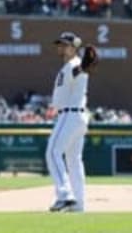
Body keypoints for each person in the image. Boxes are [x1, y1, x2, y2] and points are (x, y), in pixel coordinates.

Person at [46, 31, 98, 213]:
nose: (60, 47)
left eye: (65, 44)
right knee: (74, 161)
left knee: (52, 153)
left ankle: (65, 194)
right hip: (77, 117)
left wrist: (84, 65)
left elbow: (80, 70)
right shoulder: (70, 65)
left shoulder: (75, 65)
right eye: (59, 44)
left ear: (74, 47)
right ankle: (78, 203)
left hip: (70, 115)